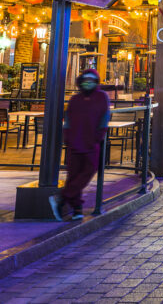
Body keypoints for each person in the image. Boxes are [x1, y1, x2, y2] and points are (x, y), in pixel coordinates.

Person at [49, 69, 111, 221]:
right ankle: (77, 209)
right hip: (75, 142)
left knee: (88, 170)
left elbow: (104, 117)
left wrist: (98, 136)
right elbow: (68, 120)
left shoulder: (102, 97)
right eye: (85, 79)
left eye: (91, 79)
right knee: (74, 175)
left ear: (96, 81)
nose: (88, 82)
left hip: (91, 142)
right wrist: (68, 137)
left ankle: (62, 198)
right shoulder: (75, 99)